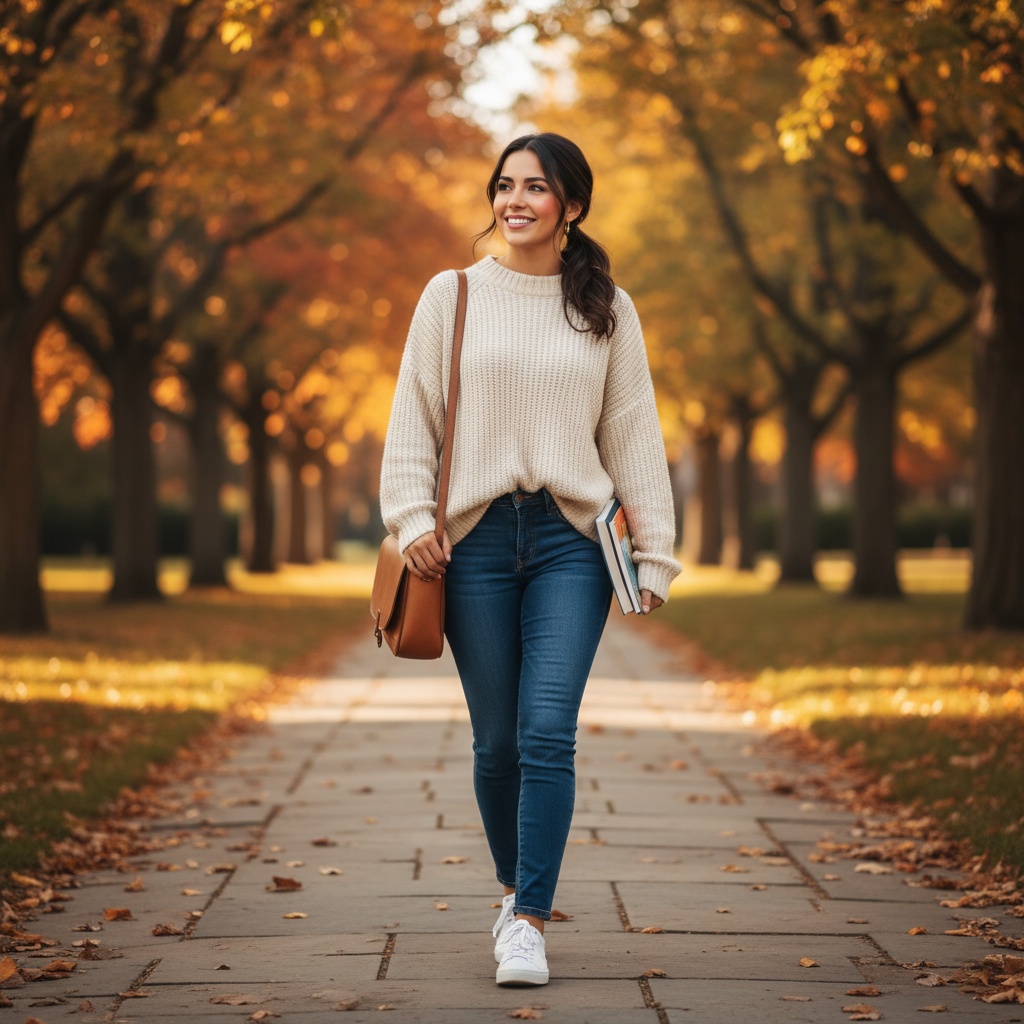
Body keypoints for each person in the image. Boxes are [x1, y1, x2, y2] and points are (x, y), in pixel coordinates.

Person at [379, 132, 680, 987]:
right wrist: (411, 520)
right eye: (505, 185)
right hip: (470, 543)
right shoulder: (451, 296)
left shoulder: (607, 309)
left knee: (548, 731)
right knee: (498, 743)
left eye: (535, 188)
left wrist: (654, 554)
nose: (515, 201)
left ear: (571, 206)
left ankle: (529, 923)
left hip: (570, 542)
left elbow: (633, 433)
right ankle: (513, 890)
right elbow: (414, 418)